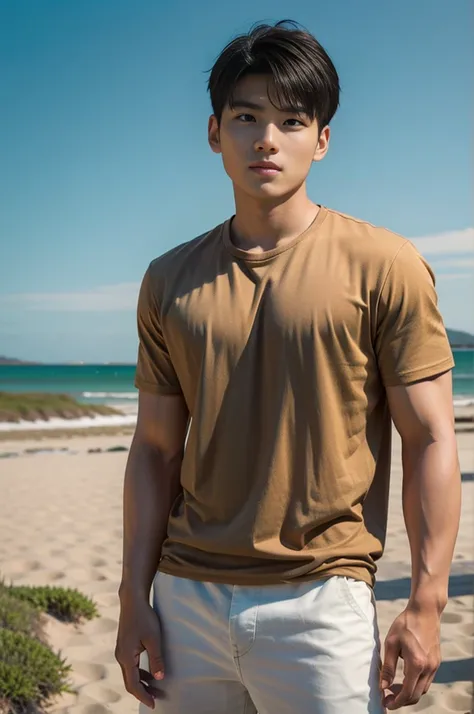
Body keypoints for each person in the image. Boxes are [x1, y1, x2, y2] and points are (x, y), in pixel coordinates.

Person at [115, 19, 461, 714]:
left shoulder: (383, 265)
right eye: (246, 117)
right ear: (215, 132)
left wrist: (426, 600)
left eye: (291, 120)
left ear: (321, 139)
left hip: (323, 601)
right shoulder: (168, 280)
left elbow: (429, 436)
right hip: (187, 600)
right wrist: (133, 597)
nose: (266, 139)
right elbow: (154, 449)